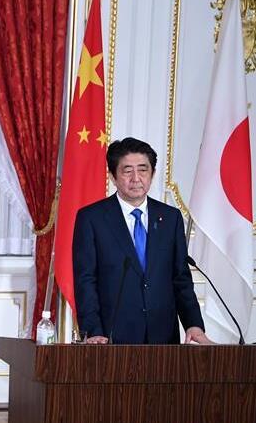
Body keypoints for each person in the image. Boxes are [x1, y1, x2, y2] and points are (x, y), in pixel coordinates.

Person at [73, 137, 211, 345]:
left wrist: (193, 324)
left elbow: (181, 278)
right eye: (127, 171)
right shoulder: (92, 218)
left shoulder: (170, 218)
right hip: (111, 338)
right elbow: (85, 280)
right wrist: (93, 331)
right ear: (112, 176)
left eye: (143, 170)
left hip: (163, 338)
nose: (136, 178)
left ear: (152, 174)